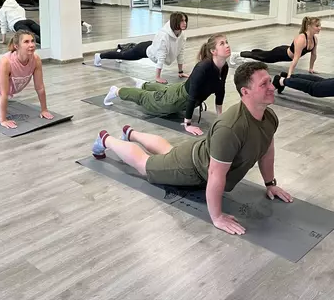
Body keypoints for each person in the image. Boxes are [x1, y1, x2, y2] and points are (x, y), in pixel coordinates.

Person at [91, 61, 293, 236]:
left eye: (270, 81)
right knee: (145, 165)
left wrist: (270, 184)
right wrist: (217, 217)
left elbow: (266, 150)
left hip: (199, 153)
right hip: (192, 169)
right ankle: (106, 140)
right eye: (264, 84)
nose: (272, 87)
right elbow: (215, 174)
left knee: (169, 152)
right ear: (245, 92)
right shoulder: (231, 128)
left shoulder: (269, 117)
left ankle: (131, 133)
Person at [102, 34, 230, 136]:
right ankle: (116, 91)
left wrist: (219, 116)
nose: (227, 45)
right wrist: (188, 124)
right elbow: (192, 96)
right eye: (222, 43)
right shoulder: (203, 67)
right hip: (177, 99)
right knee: (146, 99)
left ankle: (144, 84)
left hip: (180, 90)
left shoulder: (224, 67)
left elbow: (220, 90)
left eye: (226, 42)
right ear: (213, 51)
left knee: (165, 90)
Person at [94, 12, 188, 84]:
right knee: (123, 55)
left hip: (152, 46)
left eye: (185, 20)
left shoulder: (182, 35)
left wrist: (180, 72)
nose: (184, 23)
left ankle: (123, 48)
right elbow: (161, 57)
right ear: (175, 22)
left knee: (128, 51)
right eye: (181, 21)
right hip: (143, 50)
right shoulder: (164, 36)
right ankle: (99, 56)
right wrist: (157, 77)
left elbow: (180, 52)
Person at [230, 17, 321, 78]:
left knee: (263, 54)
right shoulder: (301, 39)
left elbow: (314, 55)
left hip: (286, 53)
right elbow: (296, 58)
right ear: (309, 26)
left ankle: (255, 52)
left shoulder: (315, 39)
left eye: (319, 25)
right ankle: (236, 54)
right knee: (262, 57)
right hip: (280, 53)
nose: (320, 28)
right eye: (317, 26)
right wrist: (289, 75)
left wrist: (311, 68)